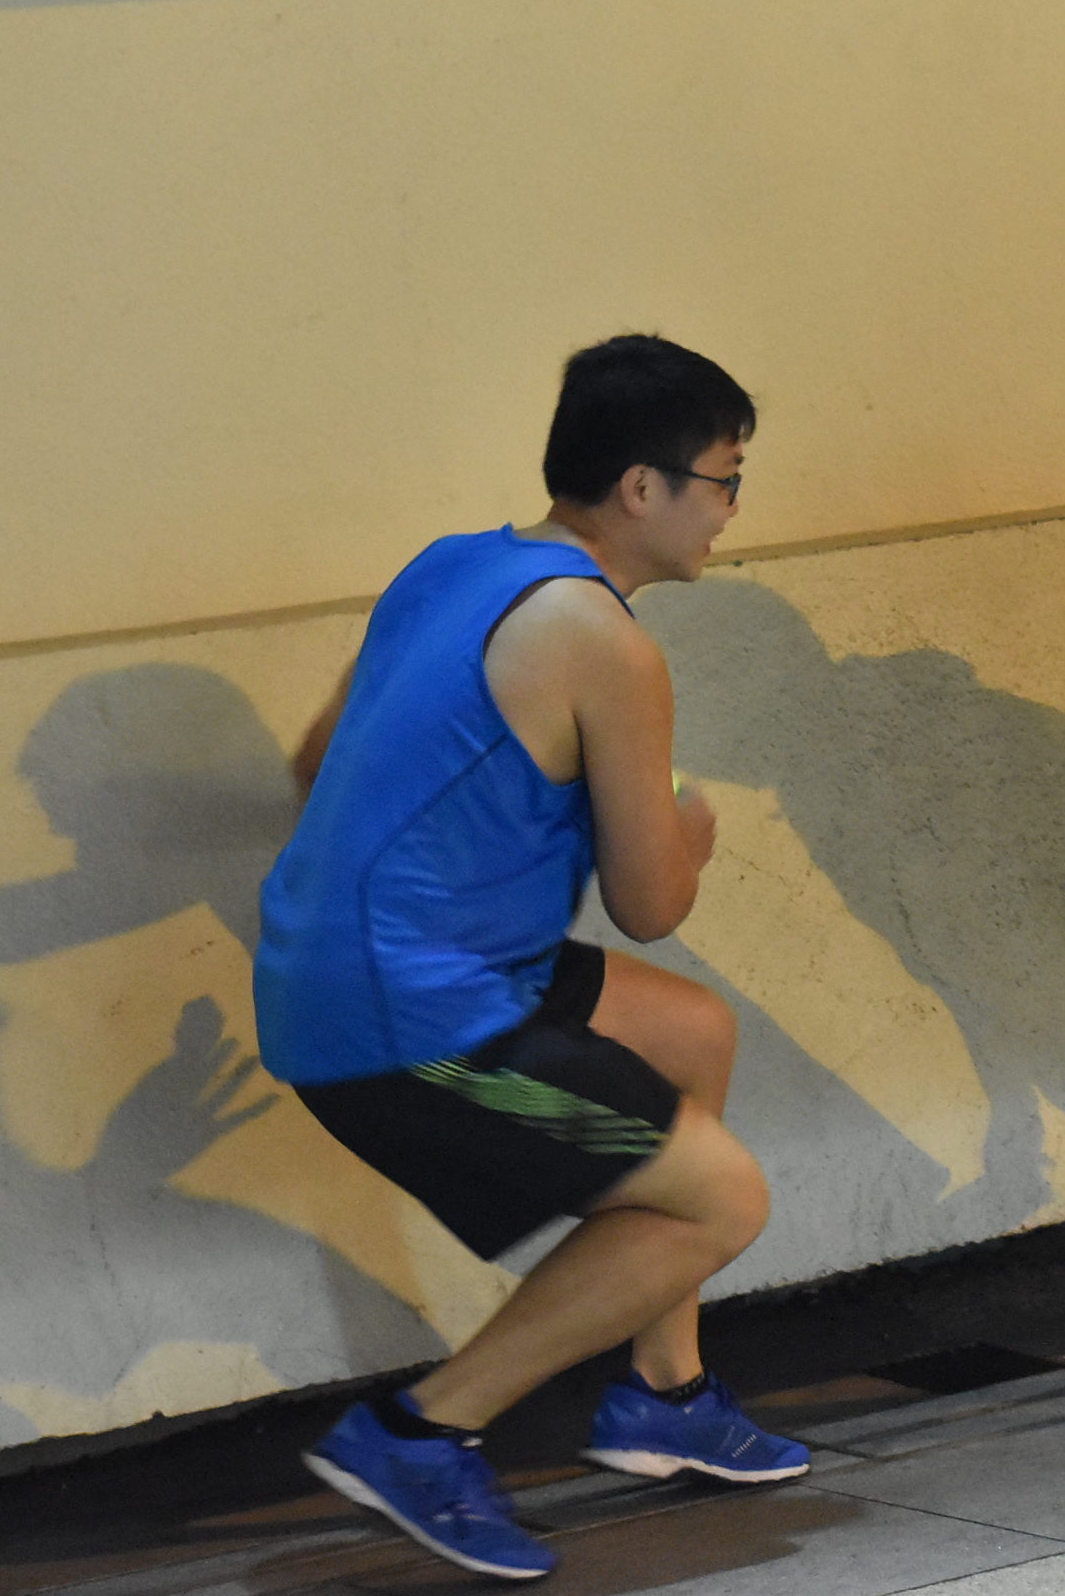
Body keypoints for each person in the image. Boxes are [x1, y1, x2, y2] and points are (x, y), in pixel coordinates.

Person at [255, 335, 804, 1581]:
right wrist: (691, 831)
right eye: (725, 480)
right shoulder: (604, 639)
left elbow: (311, 762)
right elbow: (651, 901)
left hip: (368, 971)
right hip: (412, 1021)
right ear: (643, 486)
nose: (731, 509)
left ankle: (665, 1393)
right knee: (723, 1198)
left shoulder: (453, 565)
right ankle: (421, 1432)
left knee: (692, 1031)